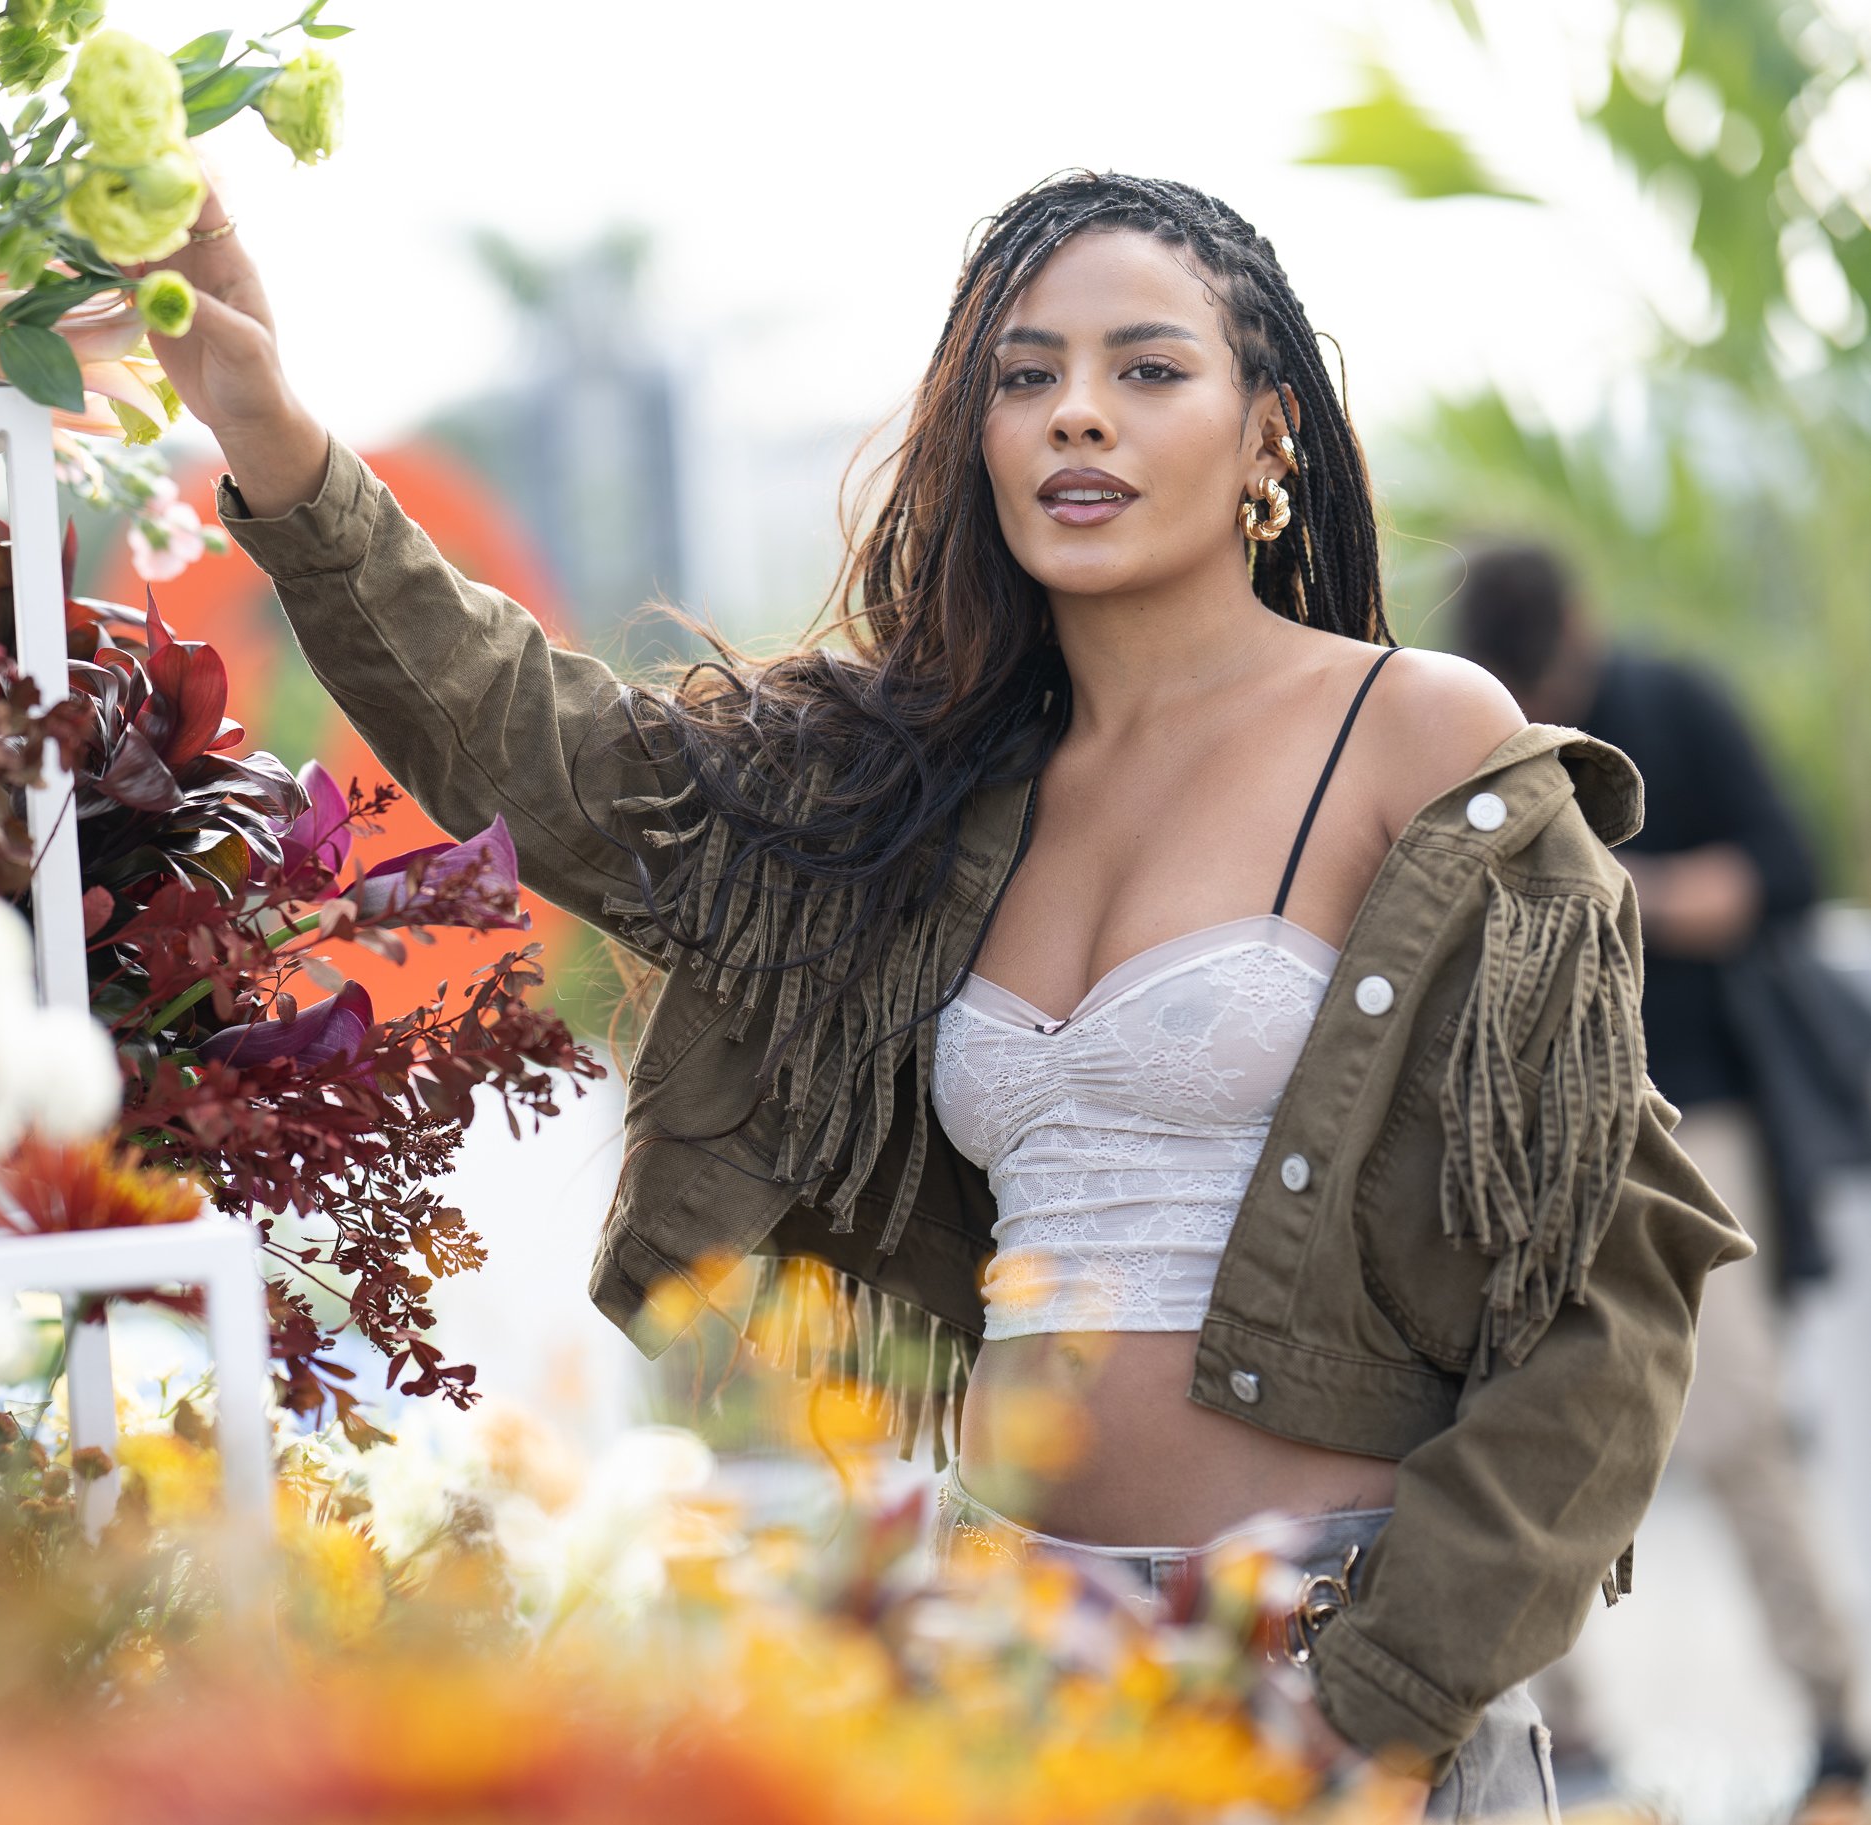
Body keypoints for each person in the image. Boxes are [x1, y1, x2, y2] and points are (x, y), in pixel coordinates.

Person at [145, 170, 1748, 1817]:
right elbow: (554, 762)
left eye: (1144, 370)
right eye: (1023, 376)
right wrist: (268, 429)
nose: (1074, 419)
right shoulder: (915, 793)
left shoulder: (1415, 737)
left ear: (1267, 431)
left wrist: (1366, 1704)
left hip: (1322, 1679)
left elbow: (1607, 1292)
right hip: (1007, 1662)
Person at [1454, 545, 1868, 1821]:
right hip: (1526, 1131)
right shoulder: (1473, 736)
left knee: (1736, 1423)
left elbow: (1781, 877)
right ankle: (1563, 1737)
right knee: (1522, 1428)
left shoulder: (1676, 702)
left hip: (1701, 1115)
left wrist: (1636, 896)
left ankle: (1836, 1723)